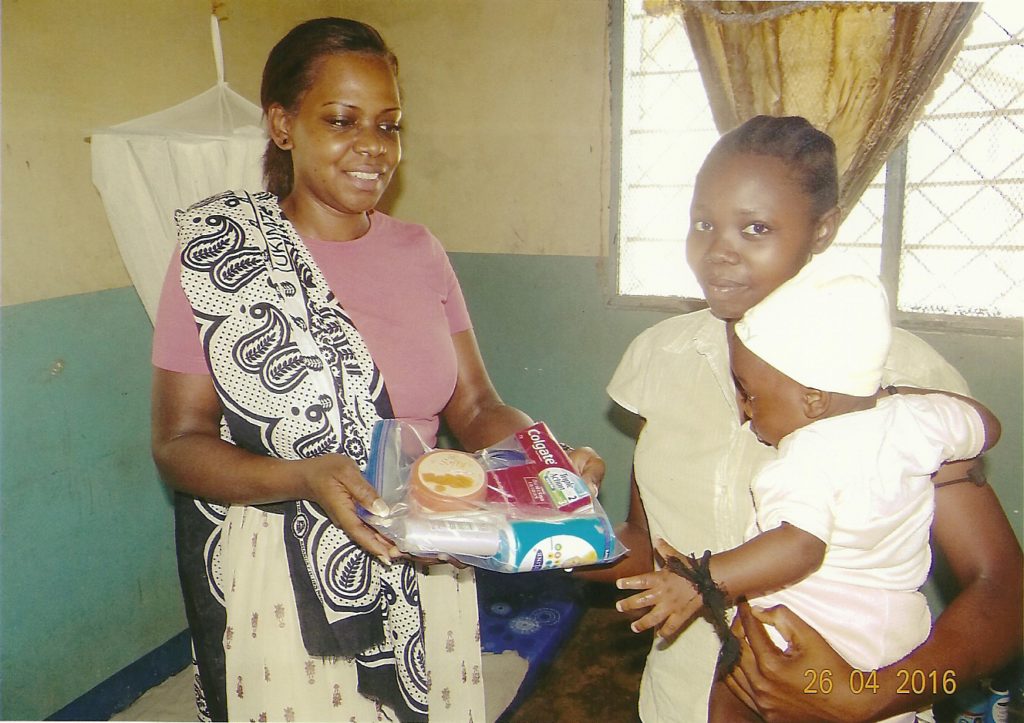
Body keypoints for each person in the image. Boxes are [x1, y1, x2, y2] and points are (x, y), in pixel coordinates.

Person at [150, 17, 604, 722]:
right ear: (282, 124)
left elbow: (479, 407)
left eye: (389, 125)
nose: (373, 147)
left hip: (424, 558)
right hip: (285, 576)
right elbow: (178, 442)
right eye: (342, 120)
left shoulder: (421, 251)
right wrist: (300, 474)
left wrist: (542, 464)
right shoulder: (220, 259)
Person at [582, 115, 1022, 722]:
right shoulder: (662, 356)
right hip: (682, 704)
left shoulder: (893, 381)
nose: (717, 252)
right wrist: (550, 528)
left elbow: (1004, 591)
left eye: (756, 228)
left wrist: (870, 697)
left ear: (822, 230)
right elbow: (648, 549)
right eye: (702, 223)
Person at [615, 260, 1001, 723]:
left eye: (751, 394)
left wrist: (700, 578)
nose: (746, 408)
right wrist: (887, 400)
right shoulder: (917, 419)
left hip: (808, 637)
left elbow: (799, 546)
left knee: (729, 690)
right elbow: (987, 425)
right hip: (894, 639)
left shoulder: (801, 460)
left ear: (814, 400)